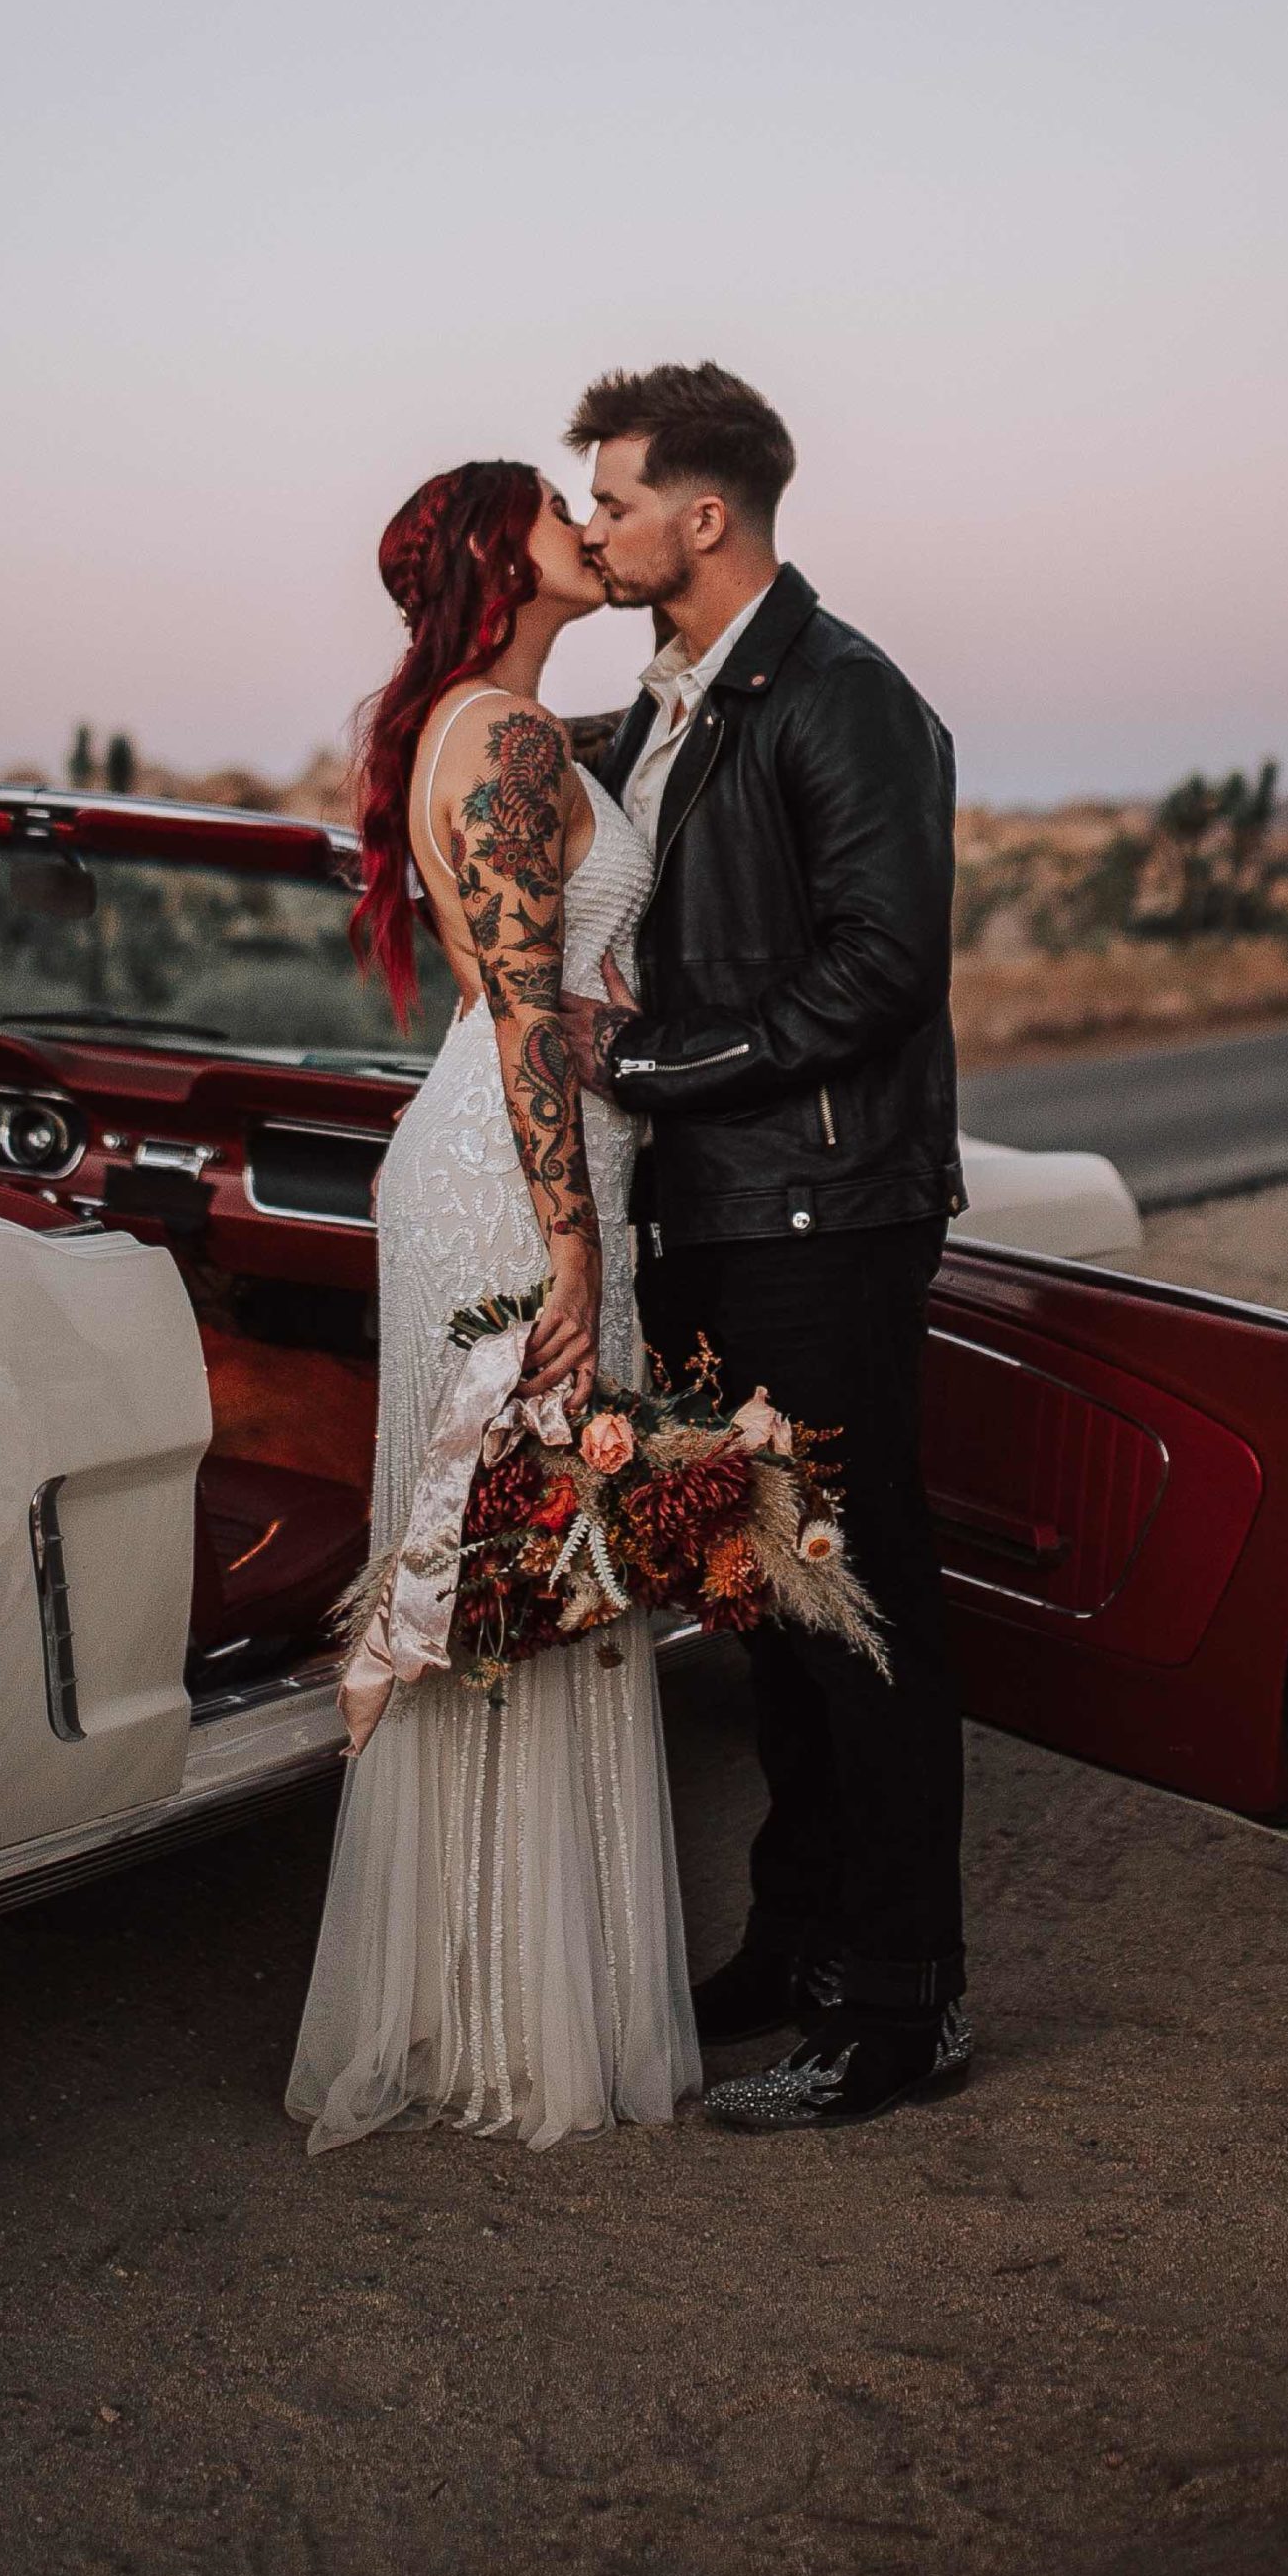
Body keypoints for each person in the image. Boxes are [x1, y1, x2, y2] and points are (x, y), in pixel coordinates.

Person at [564, 360, 971, 2131]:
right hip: (715, 1212)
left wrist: (650, 1068)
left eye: (617, 501)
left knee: (856, 1607)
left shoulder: (845, 694)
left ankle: (900, 2008)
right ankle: (795, 1943)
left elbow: (884, 968)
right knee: (764, 1611)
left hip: (822, 1208)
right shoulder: (671, 701)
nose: (597, 527)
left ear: (703, 516)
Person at [285, 460, 697, 2151]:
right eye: (558, 509)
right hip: (515, 1187)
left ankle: (490, 1999)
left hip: (501, 1161)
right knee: (533, 1566)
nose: (588, 531)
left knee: (524, 1570)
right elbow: (530, 1010)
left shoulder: (493, 721)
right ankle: (514, 2030)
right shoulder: (511, 740)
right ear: (492, 555)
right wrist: (575, 1244)